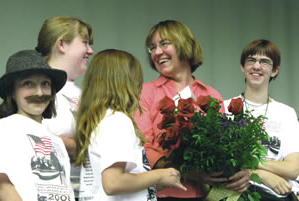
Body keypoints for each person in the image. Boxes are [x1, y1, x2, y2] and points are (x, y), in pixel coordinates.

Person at [134, 20, 250, 201]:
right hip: (163, 195)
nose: (156, 52)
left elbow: (223, 147)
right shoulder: (145, 93)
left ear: (184, 44)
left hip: (206, 196)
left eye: (164, 44)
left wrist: (240, 172)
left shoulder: (211, 94)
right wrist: (188, 171)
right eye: (152, 48)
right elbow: (143, 147)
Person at [75, 49, 187, 201]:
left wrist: (161, 181)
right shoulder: (117, 121)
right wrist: (159, 175)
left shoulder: (100, 120)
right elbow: (113, 183)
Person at [224, 39, 299, 201]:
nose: (256, 66)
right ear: (243, 67)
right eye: (251, 60)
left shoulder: (286, 113)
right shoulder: (224, 108)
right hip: (235, 194)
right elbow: (222, 163)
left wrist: (250, 166)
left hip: (276, 196)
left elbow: (293, 169)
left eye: (264, 62)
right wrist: (261, 174)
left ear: (275, 70)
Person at [0, 50, 74, 201]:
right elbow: (1, 185)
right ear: (12, 92)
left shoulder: (56, 141)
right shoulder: (3, 129)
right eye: (28, 84)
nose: (39, 93)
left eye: (45, 84)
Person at [38, 16, 94, 200]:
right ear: (61, 44)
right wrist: (79, 147)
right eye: (85, 43)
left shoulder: (85, 94)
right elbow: (27, 138)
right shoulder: (33, 89)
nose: (90, 50)